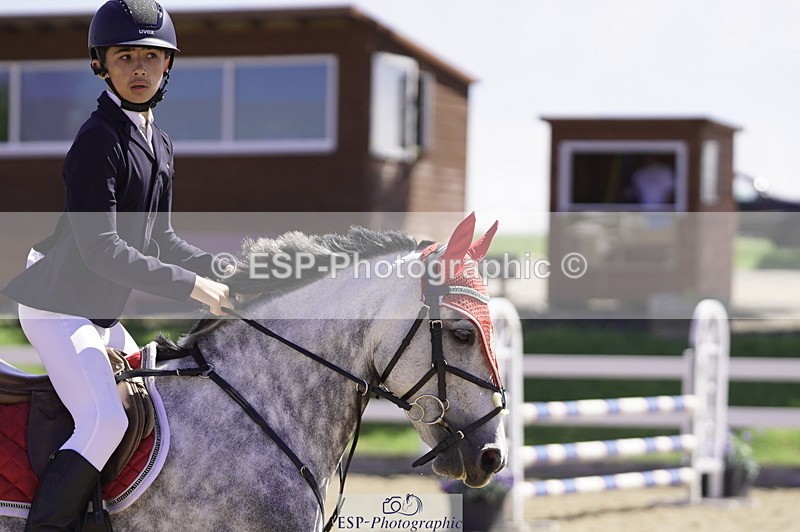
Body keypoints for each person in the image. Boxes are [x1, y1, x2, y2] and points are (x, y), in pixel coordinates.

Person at [0, 1, 234, 529]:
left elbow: (162, 240)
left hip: (98, 313)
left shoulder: (159, 143)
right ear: (100, 64)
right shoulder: (96, 141)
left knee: (157, 408)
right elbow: (101, 249)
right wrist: (197, 288)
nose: (139, 69)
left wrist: (229, 271)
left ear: (167, 66)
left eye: (151, 57)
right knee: (104, 420)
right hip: (57, 306)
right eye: (125, 57)